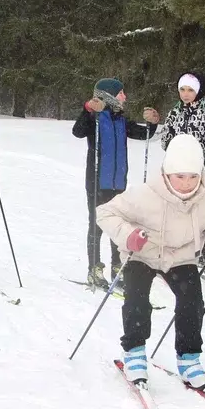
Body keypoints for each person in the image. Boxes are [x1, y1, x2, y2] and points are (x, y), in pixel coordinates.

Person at [96, 134, 205, 389]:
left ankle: (189, 359)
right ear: (167, 173)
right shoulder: (144, 194)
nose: (186, 183)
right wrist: (128, 236)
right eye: (179, 176)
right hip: (143, 253)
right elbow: (104, 212)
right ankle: (134, 353)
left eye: (192, 176)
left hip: (181, 256)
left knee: (192, 303)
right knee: (137, 300)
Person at [72, 76, 160, 288]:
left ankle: (116, 268)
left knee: (118, 226)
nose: (125, 97)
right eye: (121, 93)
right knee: (97, 225)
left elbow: (142, 134)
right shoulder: (95, 118)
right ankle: (94, 269)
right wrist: (88, 109)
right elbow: (78, 131)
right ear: (109, 95)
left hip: (118, 183)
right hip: (97, 182)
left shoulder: (121, 119)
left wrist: (153, 124)